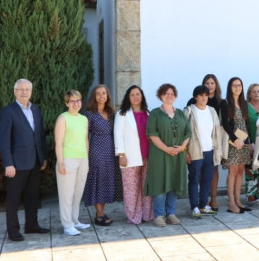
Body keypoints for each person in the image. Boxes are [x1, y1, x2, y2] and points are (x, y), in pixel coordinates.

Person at [0, 79, 49, 241]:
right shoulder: (8, 111)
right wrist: (8, 163)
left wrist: (43, 158)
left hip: (35, 161)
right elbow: (3, 140)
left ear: (31, 92)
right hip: (16, 164)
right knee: (13, 199)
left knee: (33, 196)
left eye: (27, 89)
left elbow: (39, 135)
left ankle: (31, 225)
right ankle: (13, 231)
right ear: (15, 92)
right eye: (21, 89)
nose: (24, 92)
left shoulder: (35, 109)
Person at [146, 84, 191, 227]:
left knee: (174, 182)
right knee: (160, 183)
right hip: (160, 155)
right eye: (166, 93)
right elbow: (152, 134)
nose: (169, 95)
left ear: (175, 96)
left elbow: (188, 133)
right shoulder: (154, 113)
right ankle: (158, 215)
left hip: (177, 155)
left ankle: (171, 213)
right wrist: (166, 148)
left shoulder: (180, 114)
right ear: (160, 96)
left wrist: (182, 147)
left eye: (172, 93)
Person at [82, 85, 123, 226]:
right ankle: (99, 215)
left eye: (104, 93)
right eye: (98, 93)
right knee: (97, 181)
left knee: (106, 181)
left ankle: (100, 212)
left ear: (107, 95)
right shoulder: (89, 114)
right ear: (94, 96)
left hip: (111, 151)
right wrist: (85, 155)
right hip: (96, 150)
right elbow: (84, 136)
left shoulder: (112, 113)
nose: (101, 96)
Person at [114, 85, 154, 224]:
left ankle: (147, 214)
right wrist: (121, 154)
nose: (136, 97)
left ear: (142, 96)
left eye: (138, 94)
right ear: (128, 97)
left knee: (146, 188)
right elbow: (118, 135)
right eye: (132, 95)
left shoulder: (148, 113)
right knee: (131, 190)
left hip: (147, 156)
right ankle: (133, 216)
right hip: (129, 157)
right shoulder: (122, 114)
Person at [55, 90, 90, 236]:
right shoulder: (63, 118)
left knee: (77, 193)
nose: (76, 103)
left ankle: (75, 221)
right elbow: (58, 143)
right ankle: (67, 225)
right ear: (67, 103)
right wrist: (61, 162)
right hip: (68, 160)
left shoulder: (83, 119)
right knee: (66, 195)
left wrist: (86, 159)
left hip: (82, 159)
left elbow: (86, 140)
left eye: (78, 100)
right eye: (72, 101)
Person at [184, 85, 223, 218]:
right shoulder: (189, 111)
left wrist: (218, 150)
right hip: (195, 151)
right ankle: (194, 207)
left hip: (210, 151)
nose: (204, 98)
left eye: (206, 95)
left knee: (207, 179)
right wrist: (185, 152)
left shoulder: (211, 111)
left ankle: (203, 205)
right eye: (201, 95)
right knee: (194, 179)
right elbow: (184, 133)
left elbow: (216, 132)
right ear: (195, 97)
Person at [221, 78, 252, 213]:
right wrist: (234, 139)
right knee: (232, 172)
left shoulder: (243, 103)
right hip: (233, 142)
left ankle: (238, 200)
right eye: (234, 85)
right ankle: (231, 203)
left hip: (243, 141)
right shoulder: (225, 102)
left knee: (240, 172)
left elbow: (247, 124)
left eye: (239, 85)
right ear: (230, 87)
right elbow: (225, 124)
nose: (237, 88)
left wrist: (250, 142)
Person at [245, 83, 259, 204]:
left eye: (258, 91)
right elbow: (243, 126)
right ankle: (252, 197)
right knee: (252, 169)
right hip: (251, 144)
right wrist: (248, 142)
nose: (256, 93)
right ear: (249, 94)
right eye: (253, 91)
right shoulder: (246, 107)